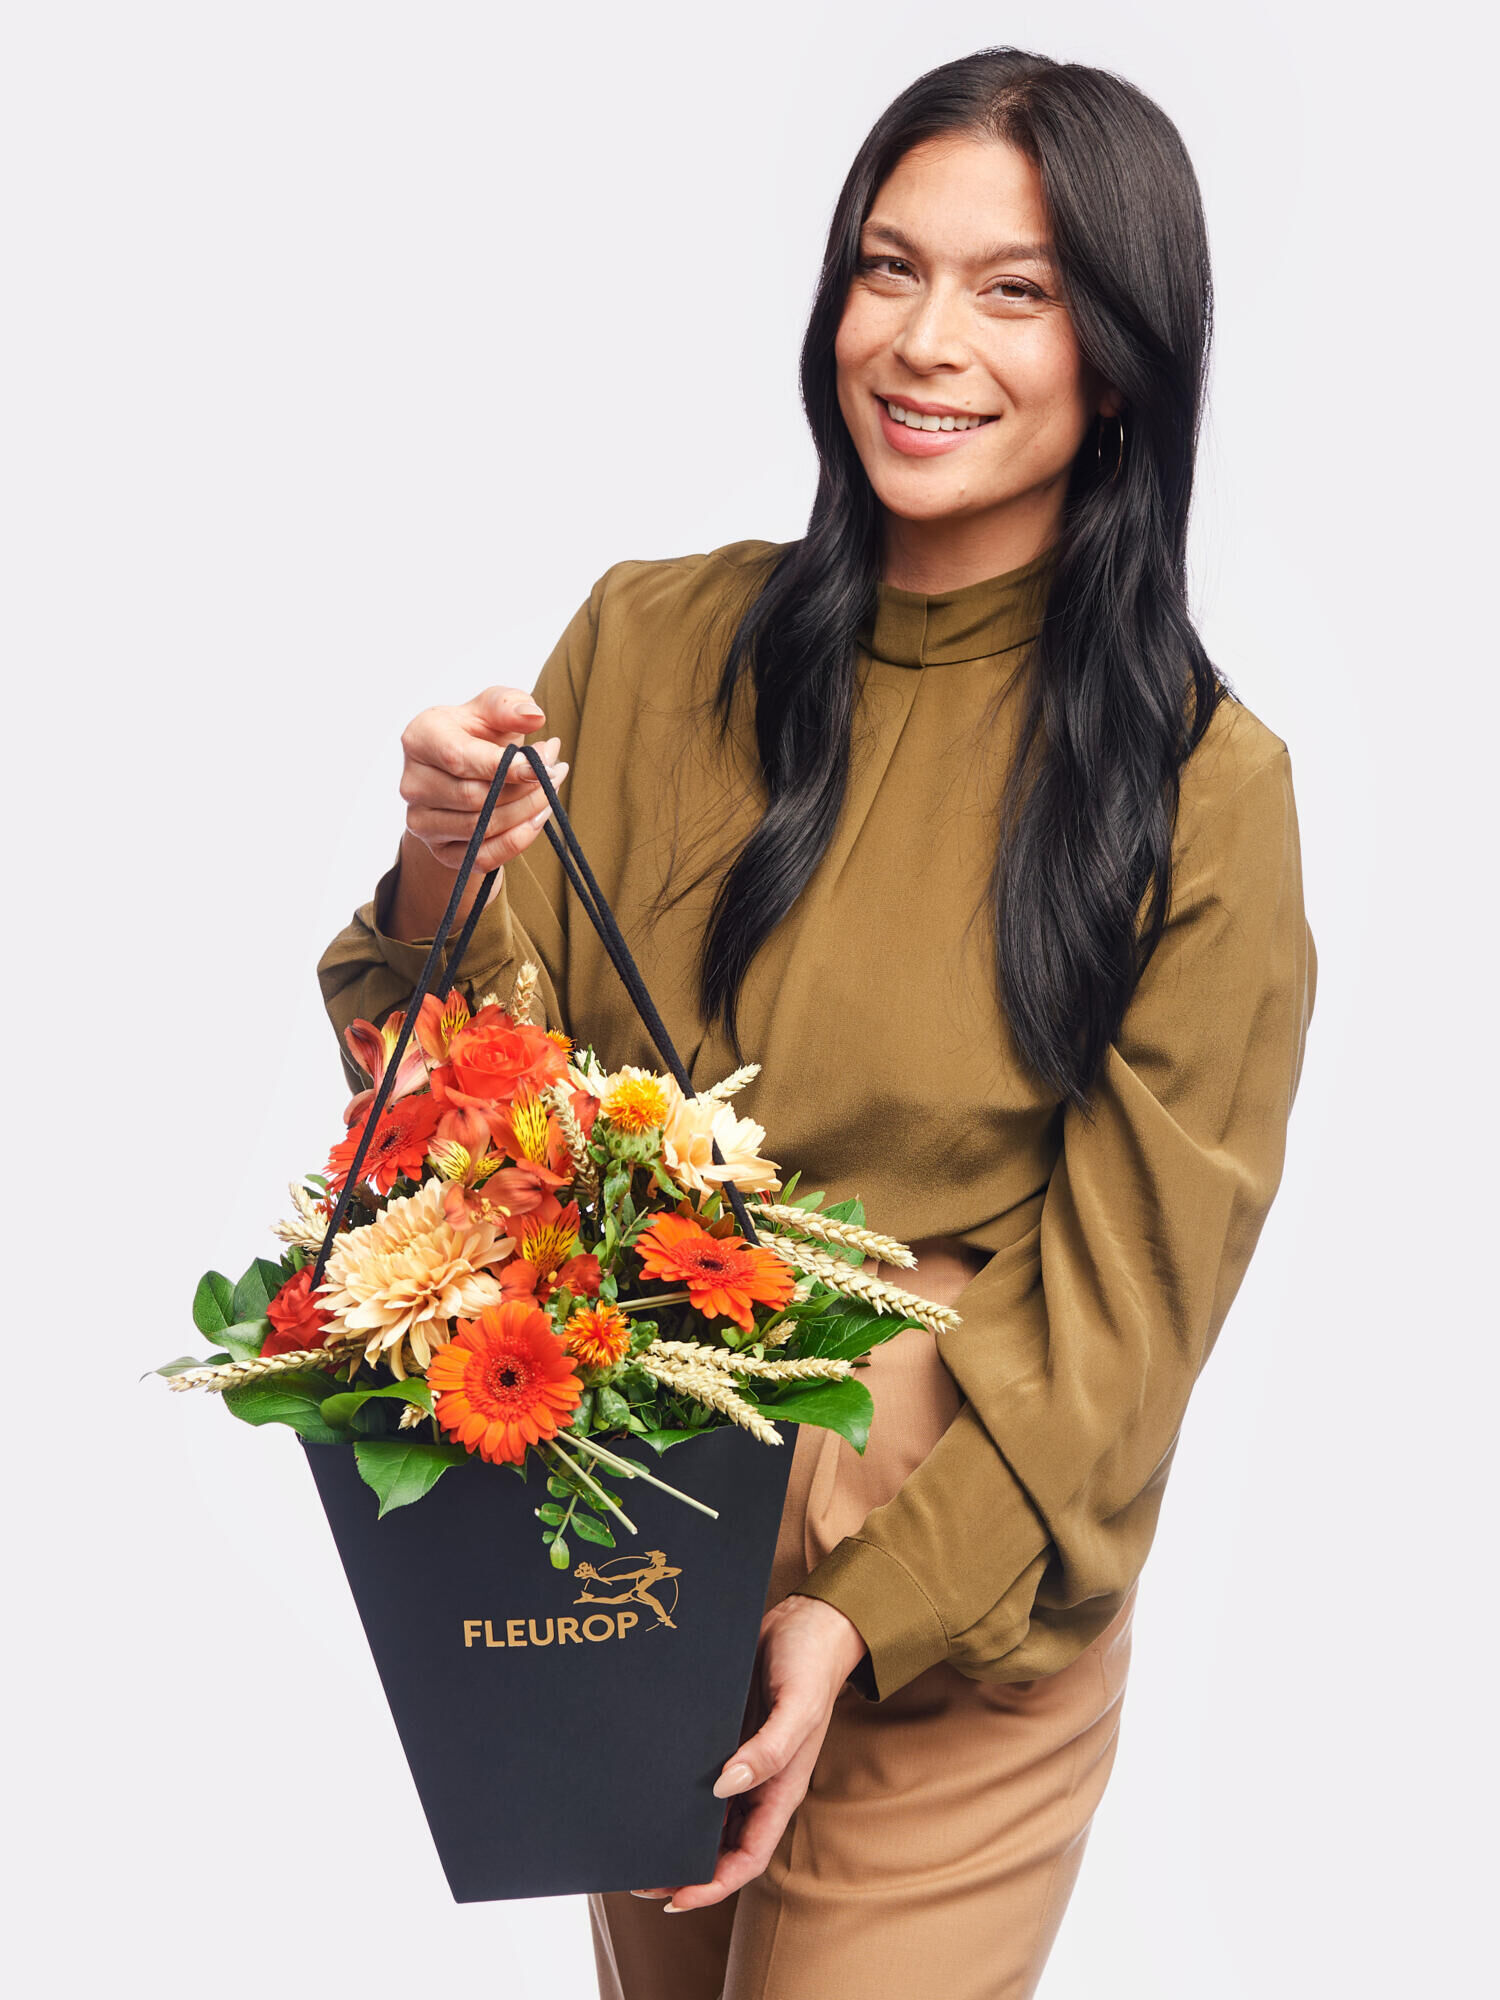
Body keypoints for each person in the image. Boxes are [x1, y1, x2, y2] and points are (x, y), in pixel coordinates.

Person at [316, 44, 1316, 2000]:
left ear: (1118, 356)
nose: (926, 340)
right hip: (643, 1527)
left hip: (963, 1571)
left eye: (1013, 289)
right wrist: (445, 864)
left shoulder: (1202, 787)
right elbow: (491, 1118)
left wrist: (857, 1610)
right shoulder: (651, 637)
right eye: (888, 265)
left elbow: (1124, 1328)